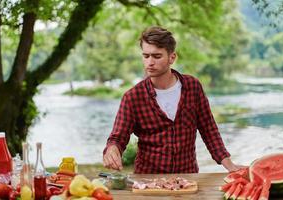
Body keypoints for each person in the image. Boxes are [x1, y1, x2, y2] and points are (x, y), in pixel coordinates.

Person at [103, 26, 243, 173]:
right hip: (148, 180)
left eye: (157, 56)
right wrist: (112, 150)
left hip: (188, 178)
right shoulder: (132, 97)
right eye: (146, 56)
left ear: (172, 57)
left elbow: (209, 130)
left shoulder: (192, 87)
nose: (150, 62)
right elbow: (117, 138)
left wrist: (230, 165)